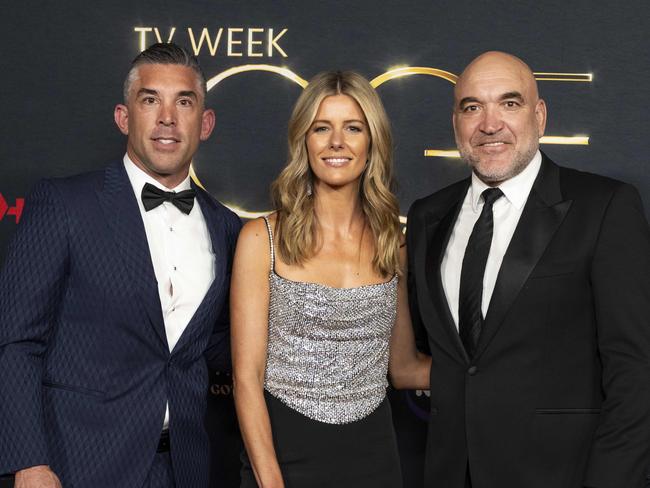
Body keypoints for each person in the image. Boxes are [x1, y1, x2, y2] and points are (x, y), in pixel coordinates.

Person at [0, 43, 241, 488]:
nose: (167, 117)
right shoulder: (65, 204)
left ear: (204, 123)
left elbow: (219, 344)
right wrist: (28, 462)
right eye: (150, 100)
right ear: (123, 117)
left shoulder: (227, 227)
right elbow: (16, 341)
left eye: (183, 102)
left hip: (186, 467)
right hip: (77, 464)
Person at [406, 50, 650, 488]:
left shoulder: (605, 206)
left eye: (509, 103)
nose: (490, 123)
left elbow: (636, 372)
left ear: (540, 117)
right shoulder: (427, 216)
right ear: (456, 123)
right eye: (472, 107)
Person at [231, 70, 430, 488]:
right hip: (284, 459)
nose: (337, 142)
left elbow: (404, 368)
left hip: (375, 461)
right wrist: (270, 481)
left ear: (371, 141)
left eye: (353, 128)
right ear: (304, 140)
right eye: (322, 128)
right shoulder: (261, 239)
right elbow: (246, 380)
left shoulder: (392, 243)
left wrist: (498, 374)